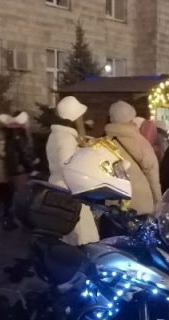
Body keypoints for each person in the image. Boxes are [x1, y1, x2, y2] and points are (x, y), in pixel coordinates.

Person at [47, 96, 99, 246]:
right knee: (83, 236)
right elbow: (69, 168)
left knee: (68, 235)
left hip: (59, 187)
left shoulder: (56, 135)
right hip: (69, 192)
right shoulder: (66, 139)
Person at [105, 101, 162, 215]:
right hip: (140, 203)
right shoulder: (140, 142)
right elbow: (152, 174)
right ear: (131, 119)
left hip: (113, 204)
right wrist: (158, 201)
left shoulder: (105, 143)